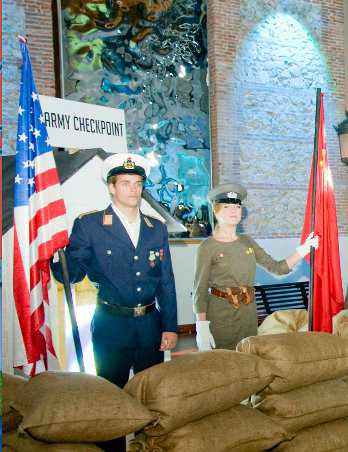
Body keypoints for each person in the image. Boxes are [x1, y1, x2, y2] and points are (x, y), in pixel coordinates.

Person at [51, 154, 178, 452]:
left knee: (152, 397)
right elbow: (73, 274)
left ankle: (150, 447)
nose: (133, 190)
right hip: (111, 326)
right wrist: (58, 258)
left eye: (137, 183)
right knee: (110, 399)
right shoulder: (91, 225)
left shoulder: (156, 227)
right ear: (111, 187)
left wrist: (170, 326)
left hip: (149, 326)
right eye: (125, 183)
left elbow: (166, 281)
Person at [193, 184, 318, 351]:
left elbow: (277, 268)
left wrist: (304, 249)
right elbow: (200, 289)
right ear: (216, 212)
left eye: (237, 207)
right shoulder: (207, 247)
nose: (233, 211)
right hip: (221, 315)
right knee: (222, 362)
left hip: (248, 314)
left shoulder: (247, 241)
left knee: (248, 359)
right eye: (226, 207)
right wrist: (201, 326)